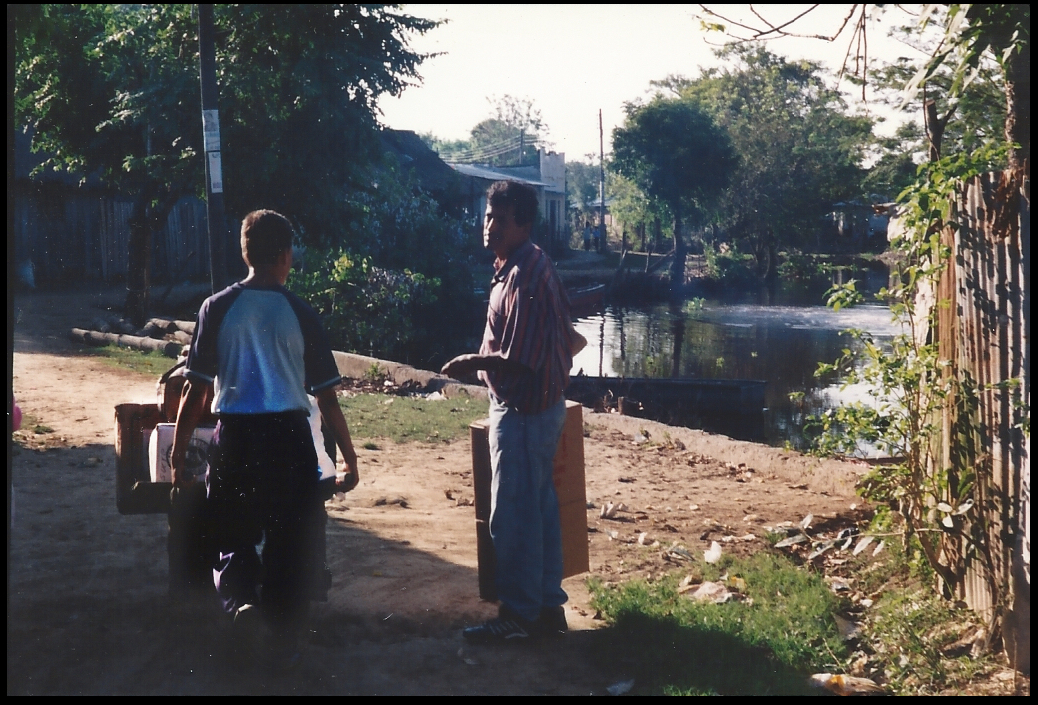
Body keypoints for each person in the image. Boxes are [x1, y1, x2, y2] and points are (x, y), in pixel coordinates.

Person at [171, 209, 359, 666]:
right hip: (289, 439)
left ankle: (241, 604)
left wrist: (178, 454)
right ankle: (280, 637)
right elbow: (328, 400)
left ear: (245, 252)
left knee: (231, 529)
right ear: (285, 256)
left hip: (235, 436)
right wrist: (352, 459)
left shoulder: (215, 308)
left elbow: (194, 391)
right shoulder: (301, 312)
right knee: (289, 536)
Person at [441, 181, 580, 642]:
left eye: (499, 219)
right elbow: (567, 338)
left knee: (515, 517)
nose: (489, 227)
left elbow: (518, 356)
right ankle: (545, 609)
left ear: (522, 222)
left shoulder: (527, 272)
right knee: (536, 511)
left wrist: (470, 362)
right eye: (486, 217)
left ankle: (520, 616)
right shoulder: (516, 266)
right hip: (529, 409)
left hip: (525, 412)